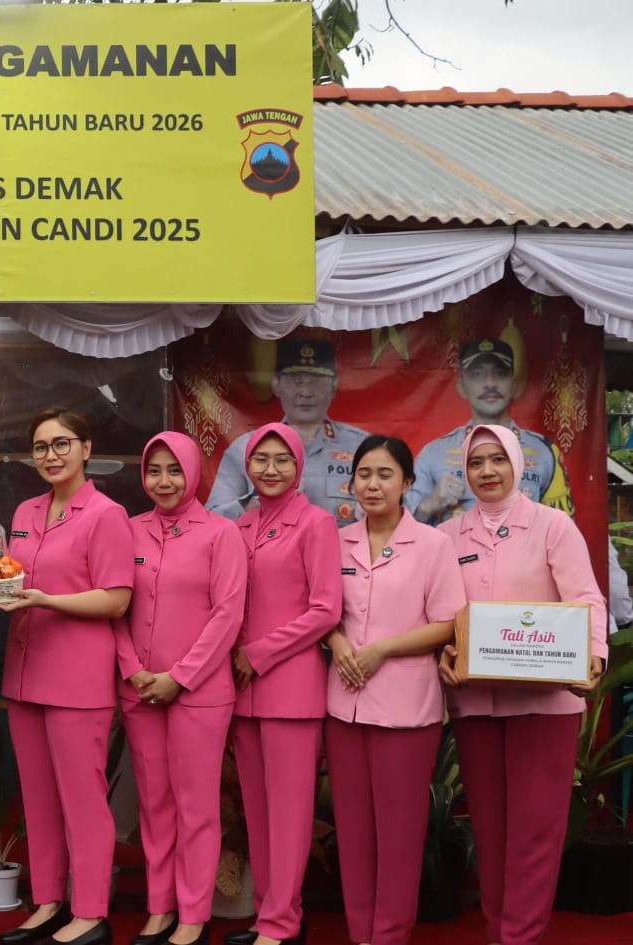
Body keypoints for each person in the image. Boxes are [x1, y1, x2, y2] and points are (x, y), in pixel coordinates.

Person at [437, 424, 607, 945]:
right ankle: (499, 934)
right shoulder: (448, 535)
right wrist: (446, 652)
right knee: (490, 831)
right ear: (464, 471)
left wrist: (594, 656)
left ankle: (521, 938)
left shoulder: (553, 526)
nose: (487, 471)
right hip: (478, 702)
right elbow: (441, 613)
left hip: (546, 702)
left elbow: (585, 598)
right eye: (476, 462)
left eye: (497, 460)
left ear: (517, 464)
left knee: (536, 831)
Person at [0, 408, 133, 945]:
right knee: (37, 798)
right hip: (24, 671)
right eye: (41, 446)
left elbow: (116, 599)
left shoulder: (106, 514)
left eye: (61, 443)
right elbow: (10, 577)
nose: (50, 455)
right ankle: (48, 902)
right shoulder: (25, 510)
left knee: (83, 800)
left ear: (86, 448)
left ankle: (91, 912)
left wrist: (46, 599)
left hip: (78, 677)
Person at [323, 436, 465, 945]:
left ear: (407, 483)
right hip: (344, 705)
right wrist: (337, 640)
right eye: (364, 474)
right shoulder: (334, 541)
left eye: (385, 474)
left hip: (407, 709)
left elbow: (448, 623)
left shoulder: (433, 544)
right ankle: (361, 932)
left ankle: (389, 935)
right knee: (353, 830)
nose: (373, 484)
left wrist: (383, 649)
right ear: (351, 482)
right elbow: (320, 610)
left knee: (399, 834)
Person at [119, 432, 247, 945]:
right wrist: (132, 669)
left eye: (175, 470)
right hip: (140, 690)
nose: (164, 481)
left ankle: (193, 914)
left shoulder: (221, 533)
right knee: (154, 805)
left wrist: (180, 677)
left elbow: (228, 615)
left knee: (197, 808)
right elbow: (115, 606)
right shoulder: (128, 531)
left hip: (200, 693)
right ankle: (160, 908)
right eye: (154, 470)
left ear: (193, 472)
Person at [225, 423, 342, 945]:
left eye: (282, 460)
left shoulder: (316, 523)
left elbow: (325, 610)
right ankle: (269, 915)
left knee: (290, 815)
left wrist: (259, 653)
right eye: (261, 459)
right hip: (242, 690)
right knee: (257, 811)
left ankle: (282, 922)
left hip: (290, 687)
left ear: (299, 466)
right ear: (247, 465)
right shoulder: (240, 526)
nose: (270, 469)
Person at [408, 339, 572, 525]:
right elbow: (399, 533)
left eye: (500, 373)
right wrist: (429, 505)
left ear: (514, 385)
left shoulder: (544, 452)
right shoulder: (433, 453)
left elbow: (564, 528)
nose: (490, 383)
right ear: (462, 387)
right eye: (477, 374)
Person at [206, 340, 369, 528]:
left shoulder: (362, 446)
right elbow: (213, 521)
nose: (305, 392)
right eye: (295, 381)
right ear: (276, 385)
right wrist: (256, 502)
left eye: (316, 381)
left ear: (334, 386)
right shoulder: (244, 448)